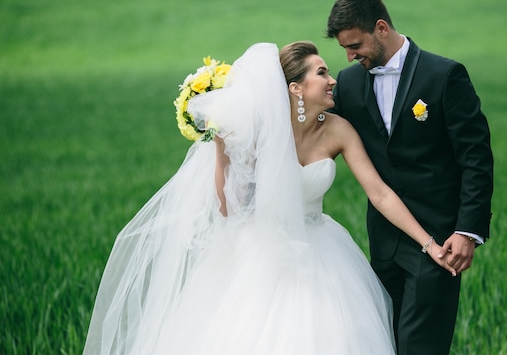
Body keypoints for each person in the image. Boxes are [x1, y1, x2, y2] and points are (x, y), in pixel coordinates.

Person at [82, 42, 455, 355]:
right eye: (321, 73)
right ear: (296, 88)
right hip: (260, 251)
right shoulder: (256, 133)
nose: (332, 80)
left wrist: (428, 243)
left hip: (320, 249)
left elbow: (380, 193)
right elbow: (230, 209)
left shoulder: (338, 129)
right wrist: (222, 149)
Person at [325, 0, 494, 355]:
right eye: (345, 50)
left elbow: (475, 156)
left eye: (355, 45)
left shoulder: (444, 75)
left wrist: (468, 230)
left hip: (440, 239)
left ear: (381, 28)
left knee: (422, 347)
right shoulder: (350, 83)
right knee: (384, 344)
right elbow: (312, 131)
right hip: (383, 242)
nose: (350, 56)